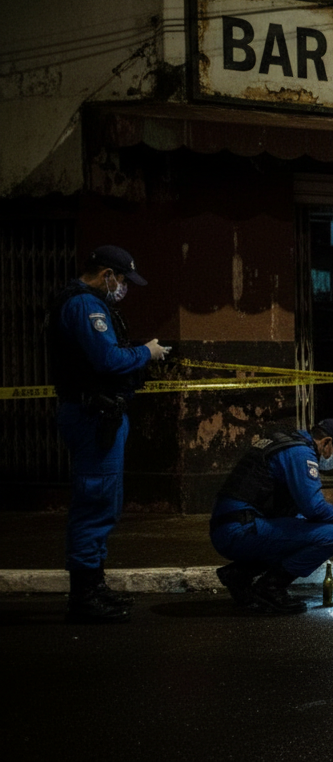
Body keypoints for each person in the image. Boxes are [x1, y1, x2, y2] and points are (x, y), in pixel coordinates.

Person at [46, 245, 171, 623]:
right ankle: (84, 597)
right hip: (92, 416)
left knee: (104, 504)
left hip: (101, 414)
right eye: (122, 280)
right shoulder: (86, 306)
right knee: (94, 502)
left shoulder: (83, 303)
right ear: (107, 275)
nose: (123, 288)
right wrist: (146, 353)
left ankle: (94, 586)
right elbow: (107, 359)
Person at [210, 419, 333, 614]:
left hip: (230, 526)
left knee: (300, 528)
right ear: (326, 442)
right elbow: (314, 507)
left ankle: (239, 575)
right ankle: (270, 588)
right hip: (240, 530)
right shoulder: (300, 452)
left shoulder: (287, 442)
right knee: (330, 536)